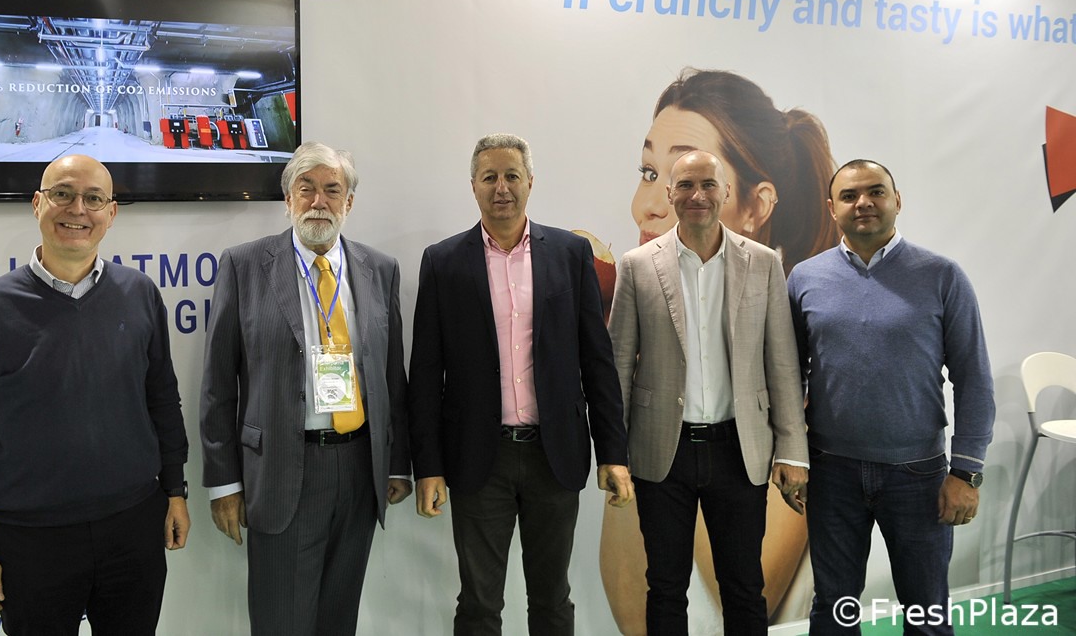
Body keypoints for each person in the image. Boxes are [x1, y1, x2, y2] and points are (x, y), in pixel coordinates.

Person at [601, 68, 836, 634]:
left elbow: (783, 367)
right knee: (664, 590)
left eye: (708, 182)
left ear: (750, 201)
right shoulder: (637, 268)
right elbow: (617, 370)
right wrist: (614, 453)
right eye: (656, 175)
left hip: (740, 450)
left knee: (743, 588)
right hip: (662, 451)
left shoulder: (764, 267)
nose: (658, 202)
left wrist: (792, 452)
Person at [0, 154, 191, 635]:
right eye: (62, 194)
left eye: (94, 198)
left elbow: (162, 400)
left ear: (111, 213)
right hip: (33, 541)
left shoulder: (140, 294)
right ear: (38, 203)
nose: (78, 209)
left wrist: (175, 491)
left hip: (135, 526)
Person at [408, 132, 633, 635]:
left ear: (530, 181)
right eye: (489, 177)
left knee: (552, 600)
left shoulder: (571, 254)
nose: (501, 187)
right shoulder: (443, 261)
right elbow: (424, 372)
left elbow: (597, 362)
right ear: (473, 186)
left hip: (553, 456)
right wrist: (429, 467)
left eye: (512, 175)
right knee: (479, 604)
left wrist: (613, 454)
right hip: (477, 459)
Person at [199, 141, 411, 636]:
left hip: (359, 470)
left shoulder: (380, 270)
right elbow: (217, 384)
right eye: (306, 188)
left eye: (332, 190)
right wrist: (224, 483)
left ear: (348, 202)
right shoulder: (244, 265)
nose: (319, 201)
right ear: (288, 199)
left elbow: (390, 378)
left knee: (339, 620)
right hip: (280, 471)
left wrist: (396, 462)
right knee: (282, 623)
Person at [787, 160, 995, 635]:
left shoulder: (942, 276)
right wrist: (791, 453)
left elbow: (974, 379)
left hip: (918, 474)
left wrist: (966, 471)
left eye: (876, 192)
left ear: (897, 200)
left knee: (926, 610)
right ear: (832, 208)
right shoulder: (804, 277)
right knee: (833, 608)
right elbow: (788, 375)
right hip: (831, 472)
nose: (863, 203)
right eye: (849, 195)